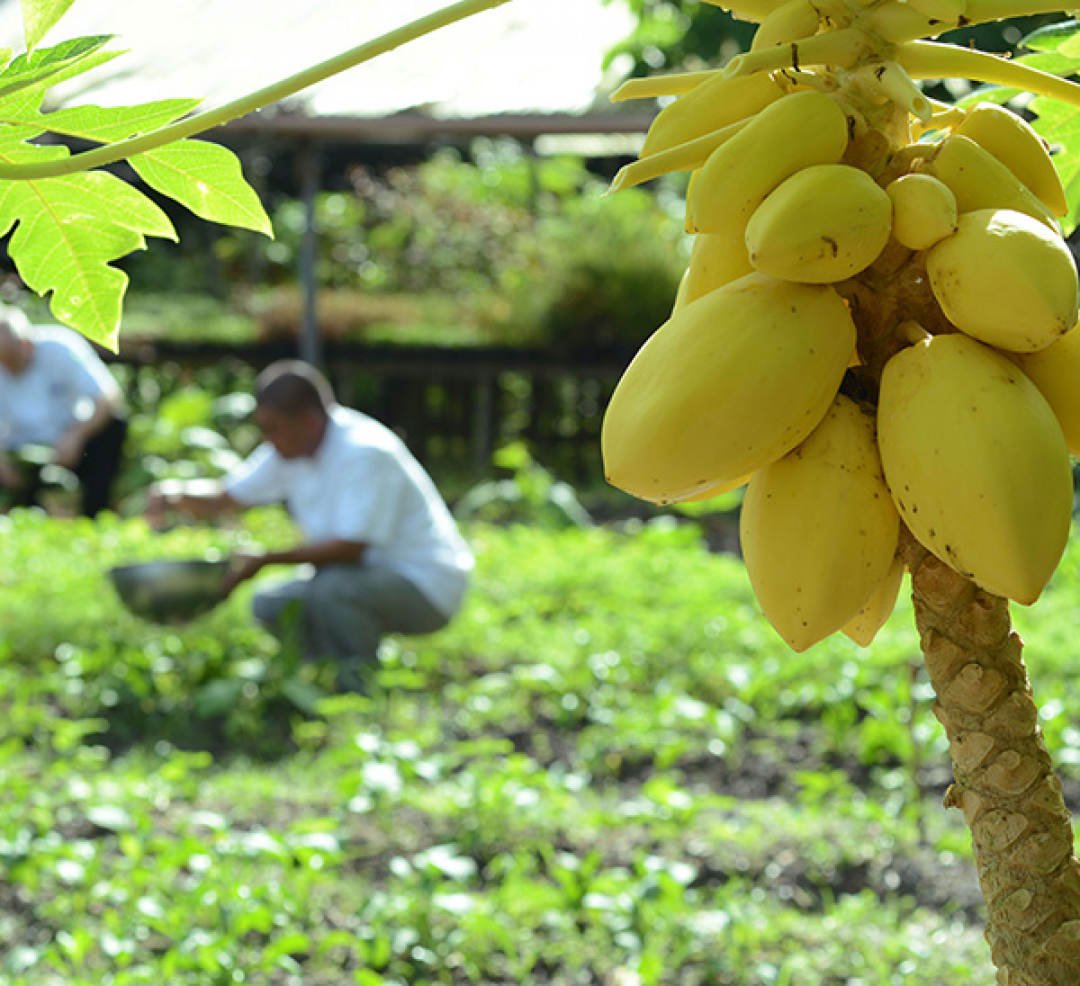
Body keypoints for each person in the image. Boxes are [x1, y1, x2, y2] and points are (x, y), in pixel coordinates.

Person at [146, 359, 474, 692]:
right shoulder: (290, 448)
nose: (267, 440)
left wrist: (265, 559)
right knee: (270, 603)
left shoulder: (364, 452)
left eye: (274, 429)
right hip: (358, 578)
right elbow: (226, 497)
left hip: (426, 586)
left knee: (332, 589)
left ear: (308, 421)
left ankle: (358, 685)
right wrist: (171, 495)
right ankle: (321, 675)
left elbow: (351, 549)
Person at [0, 306, 127, 518]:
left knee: (114, 424)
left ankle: (95, 513)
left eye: (9, 360)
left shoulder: (61, 346)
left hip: (71, 441)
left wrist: (76, 436)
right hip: (19, 451)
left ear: (26, 345)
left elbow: (109, 398)